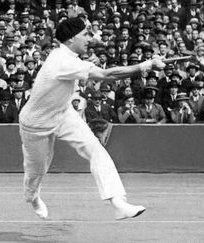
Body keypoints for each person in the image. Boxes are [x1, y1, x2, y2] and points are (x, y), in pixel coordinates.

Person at [18, 17, 165, 220]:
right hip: (36, 123)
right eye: (85, 34)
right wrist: (146, 65)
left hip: (63, 113)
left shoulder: (68, 55)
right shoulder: (62, 61)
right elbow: (107, 75)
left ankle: (118, 202)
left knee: (96, 149)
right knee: (37, 171)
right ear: (70, 39)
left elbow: (82, 65)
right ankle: (32, 197)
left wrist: (88, 62)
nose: (90, 38)